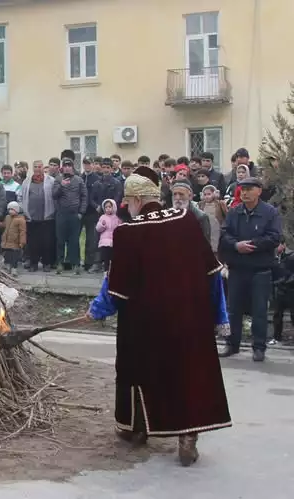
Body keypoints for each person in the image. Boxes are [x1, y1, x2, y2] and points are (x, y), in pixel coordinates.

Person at [87, 166, 231, 467]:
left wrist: (98, 310)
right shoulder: (186, 220)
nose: (126, 206)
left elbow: (117, 289)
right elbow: (212, 272)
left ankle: (136, 428)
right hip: (189, 319)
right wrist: (218, 315)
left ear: (139, 199)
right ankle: (188, 435)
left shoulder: (128, 232)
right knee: (187, 374)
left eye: (128, 201)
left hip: (146, 324)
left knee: (138, 370)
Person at [219, 177, 282, 362]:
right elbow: (224, 235)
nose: (244, 192)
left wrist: (252, 245)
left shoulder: (269, 212)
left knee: (259, 311)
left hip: (260, 269)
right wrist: (237, 245)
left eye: (248, 189)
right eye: (242, 189)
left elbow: (274, 237)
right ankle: (232, 344)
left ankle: (259, 347)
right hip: (238, 268)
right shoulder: (234, 212)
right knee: (233, 310)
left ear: (259, 191)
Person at [18, 160, 56, 271]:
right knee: (33, 243)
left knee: (46, 242)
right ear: (32, 168)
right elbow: (20, 196)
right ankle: (34, 264)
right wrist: (23, 208)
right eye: (35, 167)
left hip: (47, 216)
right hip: (31, 217)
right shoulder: (27, 181)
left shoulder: (50, 181)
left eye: (40, 166)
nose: (38, 169)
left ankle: (46, 264)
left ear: (43, 167)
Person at [53, 159, 87, 274]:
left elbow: (84, 197)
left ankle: (76, 264)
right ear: (62, 168)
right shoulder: (58, 179)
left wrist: (81, 212)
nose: (67, 168)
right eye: (65, 166)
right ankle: (60, 263)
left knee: (74, 241)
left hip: (74, 215)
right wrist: (61, 186)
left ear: (72, 167)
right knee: (60, 240)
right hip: (61, 215)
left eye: (69, 166)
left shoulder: (79, 180)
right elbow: (54, 195)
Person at [170, 178, 211, 242]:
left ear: (190, 196)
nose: (177, 198)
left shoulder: (200, 217)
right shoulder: (168, 215)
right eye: (175, 194)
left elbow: (205, 243)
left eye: (181, 194)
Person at [80, 157, 101, 272]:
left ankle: (89, 262)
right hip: (81, 212)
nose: (87, 166)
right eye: (85, 164)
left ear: (93, 165)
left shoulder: (97, 178)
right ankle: (78, 261)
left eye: (89, 164)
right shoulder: (80, 178)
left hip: (92, 212)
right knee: (77, 238)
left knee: (91, 239)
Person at [198, 185, 228, 255]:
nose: (207, 196)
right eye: (205, 194)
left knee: (216, 245)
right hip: (205, 228)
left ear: (214, 194)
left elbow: (227, 215)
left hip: (217, 227)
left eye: (209, 194)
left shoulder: (220, 203)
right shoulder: (200, 204)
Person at [0, 201, 26, 276]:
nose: (10, 211)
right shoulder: (7, 218)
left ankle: (14, 268)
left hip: (15, 242)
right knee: (7, 255)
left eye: (12, 209)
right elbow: (4, 225)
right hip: (6, 241)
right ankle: (8, 267)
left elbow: (22, 232)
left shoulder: (21, 220)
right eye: (9, 209)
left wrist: (22, 242)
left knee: (14, 256)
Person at [95, 199, 120, 272]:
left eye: (109, 207)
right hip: (105, 241)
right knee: (106, 257)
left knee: (113, 257)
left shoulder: (117, 218)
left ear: (114, 207)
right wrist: (102, 225)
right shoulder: (102, 217)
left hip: (113, 241)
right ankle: (106, 269)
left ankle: (113, 270)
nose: (108, 209)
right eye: (106, 207)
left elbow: (119, 228)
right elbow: (98, 228)